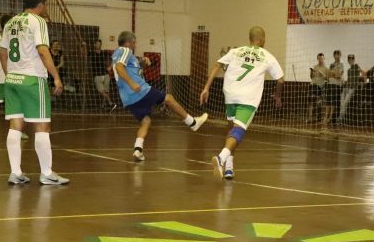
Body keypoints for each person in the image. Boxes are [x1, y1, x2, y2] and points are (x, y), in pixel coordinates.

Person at [0, 0, 68, 185]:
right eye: (45, 5)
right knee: (42, 126)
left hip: (12, 79)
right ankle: (47, 173)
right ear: (40, 4)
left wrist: (10, 75)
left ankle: (15, 172)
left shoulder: (11, 22)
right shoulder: (37, 21)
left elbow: (3, 53)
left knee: (15, 126)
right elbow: (43, 51)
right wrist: (56, 77)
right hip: (32, 79)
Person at [200, 26, 284, 180]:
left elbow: (217, 65)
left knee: (232, 128)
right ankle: (221, 158)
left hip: (230, 94)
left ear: (250, 38)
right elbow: (280, 79)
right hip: (248, 98)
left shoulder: (235, 51)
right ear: (262, 39)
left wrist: (206, 88)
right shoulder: (266, 55)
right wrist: (277, 96)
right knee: (238, 131)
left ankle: (229, 167)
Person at [113, 31, 207, 162]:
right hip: (139, 91)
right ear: (128, 43)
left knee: (145, 121)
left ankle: (138, 150)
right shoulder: (125, 50)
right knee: (168, 98)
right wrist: (132, 83)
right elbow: (119, 68)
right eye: (134, 43)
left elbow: (130, 68)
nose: (135, 45)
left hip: (129, 98)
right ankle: (192, 122)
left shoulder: (123, 55)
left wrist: (142, 64)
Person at [89, 39, 116, 111]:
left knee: (106, 91)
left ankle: (103, 105)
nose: (99, 45)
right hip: (97, 75)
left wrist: (110, 67)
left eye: (100, 44)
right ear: (94, 45)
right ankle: (111, 104)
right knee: (101, 91)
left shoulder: (104, 53)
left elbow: (114, 58)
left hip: (105, 75)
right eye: (97, 44)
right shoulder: (91, 53)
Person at [339, 54, 363, 123]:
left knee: (345, 102)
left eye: (352, 59)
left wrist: (362, 84)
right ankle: (341, 117)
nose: (350, 60)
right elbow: (349, 79)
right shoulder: (349, 70)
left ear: (354, 60)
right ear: (348, 60)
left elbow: (363, 73)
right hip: (346, 87)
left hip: (352, 88)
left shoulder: (356, 66)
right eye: (349, 59)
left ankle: (341, 118)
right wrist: (344, 82)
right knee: (342, 102)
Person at [323, 50, 344, 126]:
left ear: (340, 55)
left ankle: (330, 118)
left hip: (336, 85)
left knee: (333, 103)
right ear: (334, 56)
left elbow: (339, 75)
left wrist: (333, 74)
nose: (336, 56)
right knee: (328, 102)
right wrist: (333, 74)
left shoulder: (341, 64)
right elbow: (328, 75)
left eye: (338, 55)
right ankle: (325, 117)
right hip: (330, 84)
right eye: (335, 55)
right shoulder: (331, 64)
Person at [306, 53, 328, 124]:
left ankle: (319, 118)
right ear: (317, 59)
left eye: (321, 58)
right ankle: (309, 118)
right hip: (313, 85)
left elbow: (328, 79)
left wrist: (323, 74)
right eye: (319, 58)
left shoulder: (326, 68)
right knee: (310, 101)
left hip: (320, 87)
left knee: (319, 103)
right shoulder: (315, 67)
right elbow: (312, 77)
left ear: (324, 59)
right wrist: (311, 73)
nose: (320, 60)